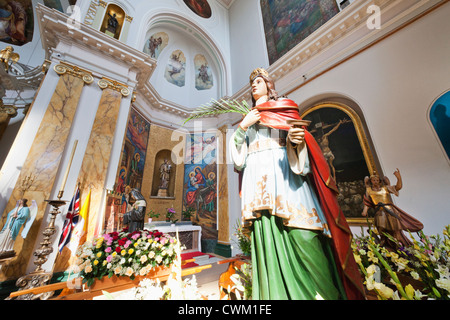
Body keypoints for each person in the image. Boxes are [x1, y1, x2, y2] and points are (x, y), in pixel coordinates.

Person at [230, 68, 365, 300]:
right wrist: (243, 127)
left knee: (305, 236)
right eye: (252, 82)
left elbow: (300, 146)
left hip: (285, 179)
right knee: (268, 241)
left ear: (269, 85)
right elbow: (238, 159)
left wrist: (296, 142)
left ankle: (326, 295)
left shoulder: (283, 107)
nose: (254, 85)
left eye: (259, 81)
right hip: (259, 189)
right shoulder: (248, 117)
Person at [362, 169, 423, 248]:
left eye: (377, 180)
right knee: (381, 228)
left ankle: (400, 244)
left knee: (395, 229)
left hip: (390, 211)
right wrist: (365, 211)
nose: (375, 181)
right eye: (373, 180)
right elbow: (367, 202)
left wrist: (398, 178)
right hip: (379, 211)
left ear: (380, 181)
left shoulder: (385, 188)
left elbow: (398, 187)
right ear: (371, 181)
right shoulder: (369, 190)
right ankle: (384, 241)